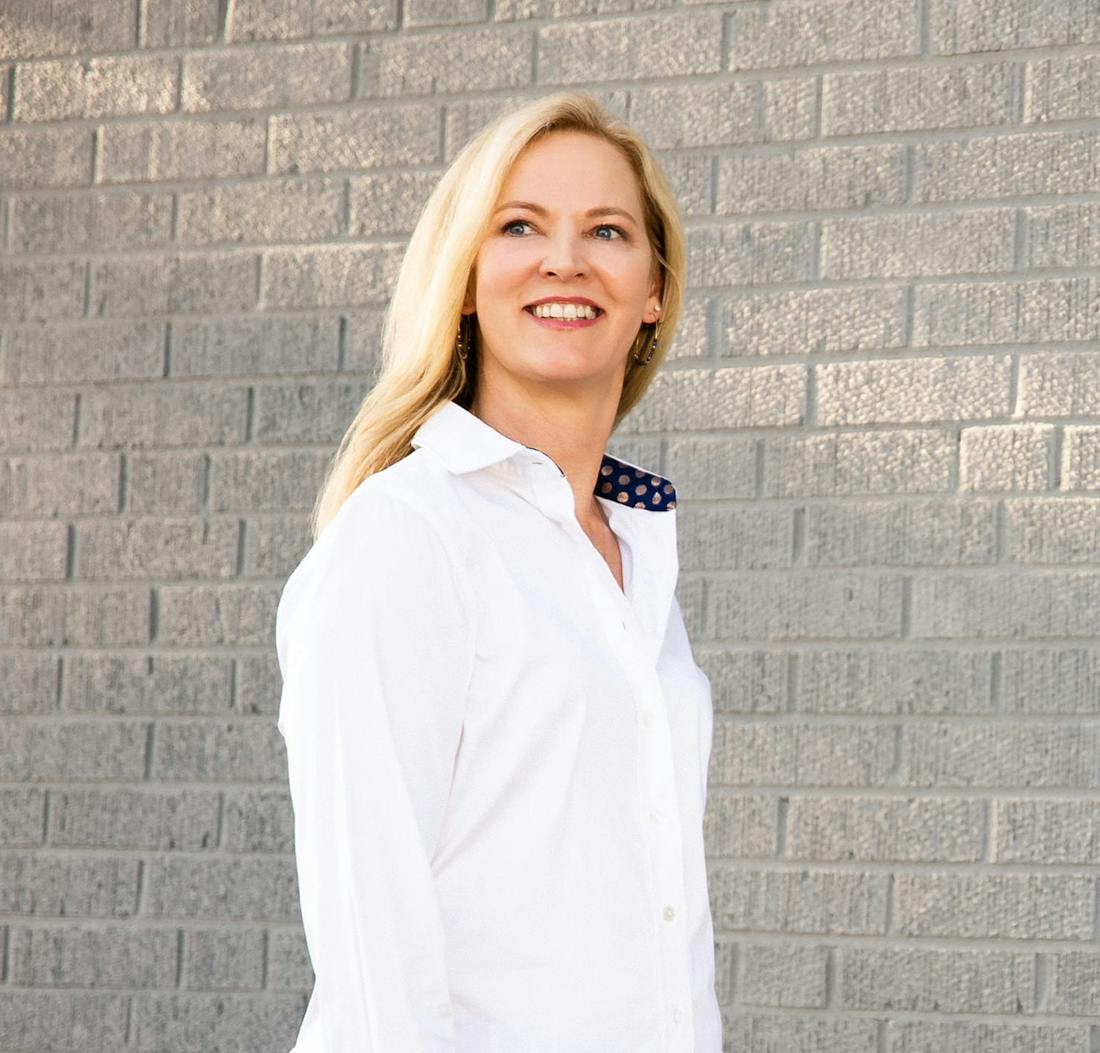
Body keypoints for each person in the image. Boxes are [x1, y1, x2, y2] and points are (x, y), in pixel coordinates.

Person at [274, 89, 722, 1052]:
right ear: (467, 279)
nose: (566, 258)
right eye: (520, 225)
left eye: (608, 230)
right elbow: (372, 940)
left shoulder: (631, 553)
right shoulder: (407, 536)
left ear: (654, 292)